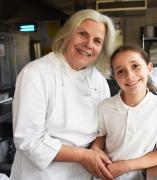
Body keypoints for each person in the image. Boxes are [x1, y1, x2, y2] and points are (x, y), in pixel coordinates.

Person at [10, 9, 116, 180]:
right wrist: (82, 156)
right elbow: (28, 140)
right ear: (67, 35)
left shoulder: (98, 80)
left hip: (84, 173)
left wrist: (96, 149)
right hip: (41, 175)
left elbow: (103, 128)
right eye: (82, 34)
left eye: (97, 41)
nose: (89, 44)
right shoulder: (36, 73)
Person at [91, 44, 157, 180]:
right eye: (120, 71)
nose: (130, 75)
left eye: (135, 66)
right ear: (115, 77)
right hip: (106, 174)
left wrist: (125, 166)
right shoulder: (105, 107)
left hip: (140, 176)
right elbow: (102, 136)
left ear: (149, 67)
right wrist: (95, 150)